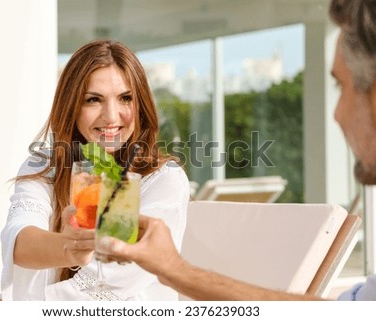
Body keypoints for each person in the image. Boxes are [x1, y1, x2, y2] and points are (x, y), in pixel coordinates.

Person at [96, 0, 376, 301]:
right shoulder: (53, 172)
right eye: (93, 99)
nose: (335, 113)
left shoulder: (161, 180)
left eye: (341, 87)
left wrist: (173, 269)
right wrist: (174, 269)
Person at [0, 40, 190, 301]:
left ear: (140, 104)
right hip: (32, 307)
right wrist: (68, 247)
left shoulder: (163, 180)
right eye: (93, 100)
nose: (111, 116)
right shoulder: (43, 166)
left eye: (125, 98)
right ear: (72, 106)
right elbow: (20, 241)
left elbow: (110, 283)